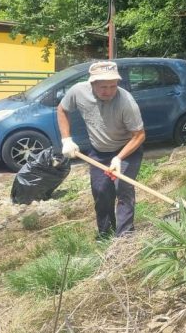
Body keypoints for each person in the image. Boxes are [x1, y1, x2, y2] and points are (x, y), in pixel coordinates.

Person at [57, 61, 146, 238]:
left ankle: (125, 238)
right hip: (99, 151)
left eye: (113, 86)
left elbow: (139, 135)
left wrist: (119, 158)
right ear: (92, 83)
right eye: (103, 86)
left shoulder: (126, 101)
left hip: (127, 150)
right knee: (101, 191)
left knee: (123, 189)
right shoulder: (78, 91)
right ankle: (106, 234)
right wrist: (66, 139)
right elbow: (62, 109)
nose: (109, 91)